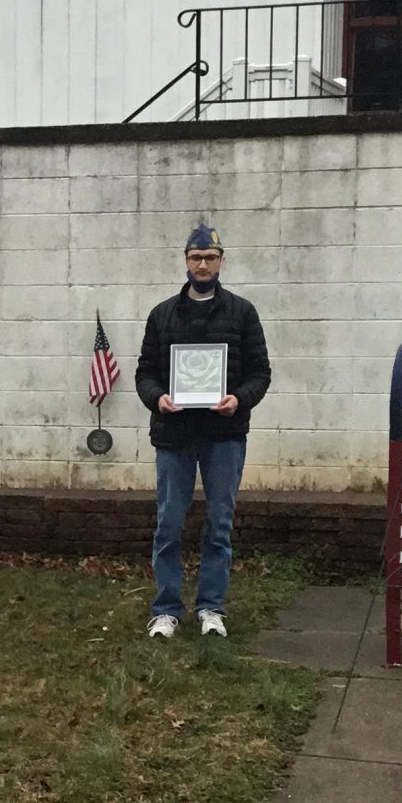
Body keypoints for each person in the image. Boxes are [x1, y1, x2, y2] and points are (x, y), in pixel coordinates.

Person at [134, 224, 271, 638]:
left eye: (210, 258)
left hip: (224, 435)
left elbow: (260, 373)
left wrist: (239, 399)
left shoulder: (242, 312)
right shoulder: (162, 314)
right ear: (186, 261)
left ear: (222, 260)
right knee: (169, 523)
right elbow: (145, 373)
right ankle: (167, 609)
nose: (203, 265)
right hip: (174, 435)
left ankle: (212, 607)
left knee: (219, 524)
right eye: (196, 258)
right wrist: (158, 398)